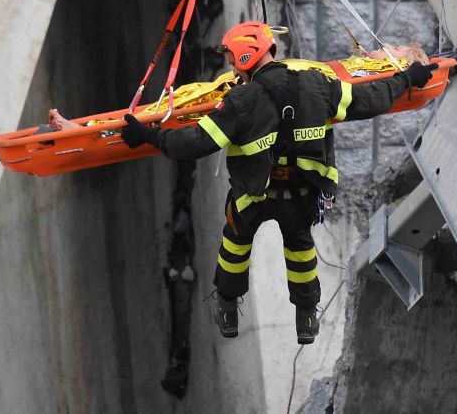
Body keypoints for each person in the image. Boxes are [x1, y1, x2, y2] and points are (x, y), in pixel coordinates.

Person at [120, 22, 438, 344]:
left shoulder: (240, 103)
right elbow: (368, 100)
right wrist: (406, 80)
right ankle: (307, 318)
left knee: (235, 242)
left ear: (245, 57)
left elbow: (197, 142)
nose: (231, 68)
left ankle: (228, 307)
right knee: (300, 249)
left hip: (254, 196)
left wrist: (148, 136)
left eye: (232, 59)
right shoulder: (318, 85)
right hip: (301, 195)